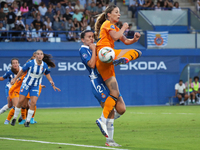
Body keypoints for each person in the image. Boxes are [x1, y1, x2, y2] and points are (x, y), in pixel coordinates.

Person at [94, 5, 142, 139]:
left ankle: (103, 120)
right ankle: (122, 60)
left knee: (115, 94)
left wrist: (134, 40)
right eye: (116, 12)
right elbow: (115, 37)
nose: (119, 14)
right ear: (109, 14)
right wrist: (124, 27)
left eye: (119, 12)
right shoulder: (107, 23)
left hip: (108, 60)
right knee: (136, 52)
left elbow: (125, 41)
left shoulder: (114, 27)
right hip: (104, 53)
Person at [79, 30, 122, 146]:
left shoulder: (98, 48)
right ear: (83, 40)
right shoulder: (83, 49)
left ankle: (103, 120)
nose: (91, 39)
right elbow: (92, 65)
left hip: (107, 79)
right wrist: (93, 49)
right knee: (111, 111)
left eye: (92, 36)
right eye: (88, 37)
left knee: (121, 109)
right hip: (97, 81)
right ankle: (110, 140)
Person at [10, 50, 61, 127]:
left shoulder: (44, 65)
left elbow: (47, 74)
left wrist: (51, 82)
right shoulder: (30, 63)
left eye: (41, 54)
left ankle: (27, 121)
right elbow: (22, 71)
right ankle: (14, 118)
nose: (40, 55)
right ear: (36, 56)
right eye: (38, 54)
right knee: (20, 101)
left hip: (36, 85)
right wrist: (15, 78)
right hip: (26, 84)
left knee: (33, 103)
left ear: (43, 56)